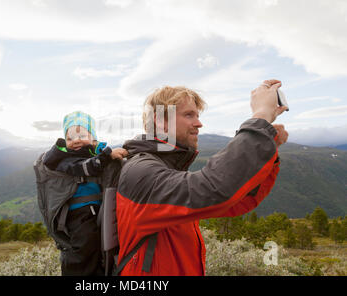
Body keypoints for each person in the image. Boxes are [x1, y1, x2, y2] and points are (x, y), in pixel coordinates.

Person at [116, 80, 289, 276]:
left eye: (197, 115)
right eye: (189, 115)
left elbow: (240, 201)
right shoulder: (141, 172)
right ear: (160, 121)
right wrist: (260, 119)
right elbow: (213, 189)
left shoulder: (166, 168)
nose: (199, 123)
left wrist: (268, 149)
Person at [42, 110, 127, 276]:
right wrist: (107, 156)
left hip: (96, 208)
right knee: (85, 244)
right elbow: (87, 167)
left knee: (103, 244)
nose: (76, 141)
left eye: (81, 135)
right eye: (70, 138)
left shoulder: (92, 152)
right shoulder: (65, 159)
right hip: (78, 212)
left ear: (92, 137)